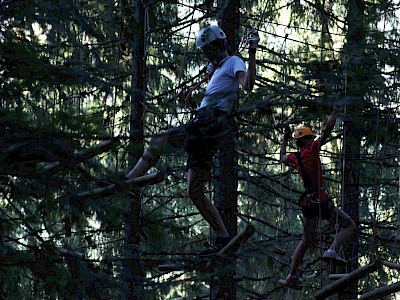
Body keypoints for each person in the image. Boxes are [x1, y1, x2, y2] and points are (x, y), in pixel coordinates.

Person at [125, 24, 259, 256]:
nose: (208, 54)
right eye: (205, 51)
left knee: (159, 141)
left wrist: (252, 53)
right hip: (207, 127)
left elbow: (247, 85)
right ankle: (222, 236)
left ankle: (127, 180)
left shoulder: (234, 61)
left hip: (208, 125)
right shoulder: (218, 69)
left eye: (210, 49)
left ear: (220, 45)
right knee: (194, 190)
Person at [279, 106, 356, 289]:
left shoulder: (294, 157)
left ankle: (291, 276)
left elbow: (281, 156)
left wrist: (284, 138)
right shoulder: (312, 149)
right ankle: (332, 250)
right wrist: (335, 111)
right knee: (349, 225)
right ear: (307, 140)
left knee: (306, 240)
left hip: (307, 204)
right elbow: (327, 131)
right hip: (321, 201)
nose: (314, 139)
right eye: (311, 138)